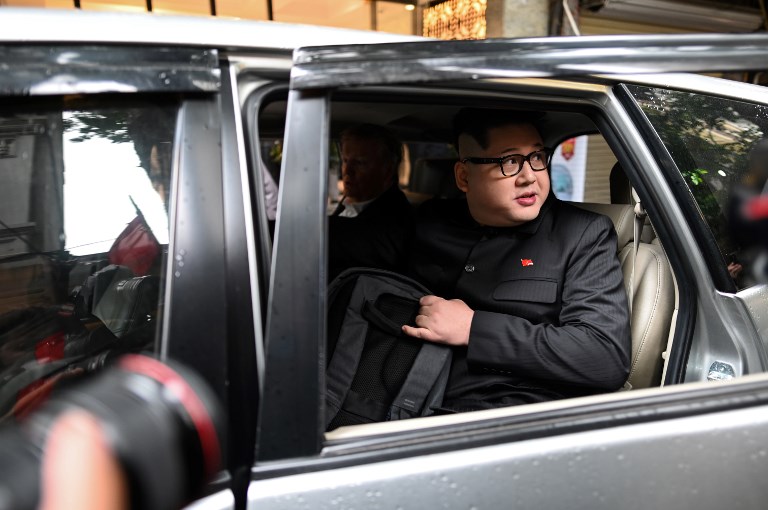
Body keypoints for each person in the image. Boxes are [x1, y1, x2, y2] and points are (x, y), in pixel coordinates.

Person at [402, 108, 631, 412]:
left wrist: (472, 328)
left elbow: (604, 356)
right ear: (463, 177)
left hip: (499, 413)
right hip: (400, 390)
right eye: (509, 161)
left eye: (537, 157)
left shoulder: (582, 234)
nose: (529, 177)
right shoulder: (429, 221)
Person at [328, 123, 414, 281]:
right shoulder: (351, 203)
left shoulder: (395, 218)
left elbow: (354, 240)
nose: (347, 171)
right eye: (345, 160)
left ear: (387, 170)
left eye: (360, 163)